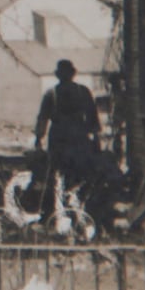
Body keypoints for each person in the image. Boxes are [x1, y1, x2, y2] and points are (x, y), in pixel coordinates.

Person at [34, 59, 100, 211]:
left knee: (71, 174)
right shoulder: (56, 94)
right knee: (65, 174)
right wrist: (38, 138)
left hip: (70, 138)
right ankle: (66, 207)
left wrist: (39, 138)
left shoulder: (79, 92)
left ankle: (73, 207)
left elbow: (92, 115)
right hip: (69, 138)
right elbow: (43, 118)